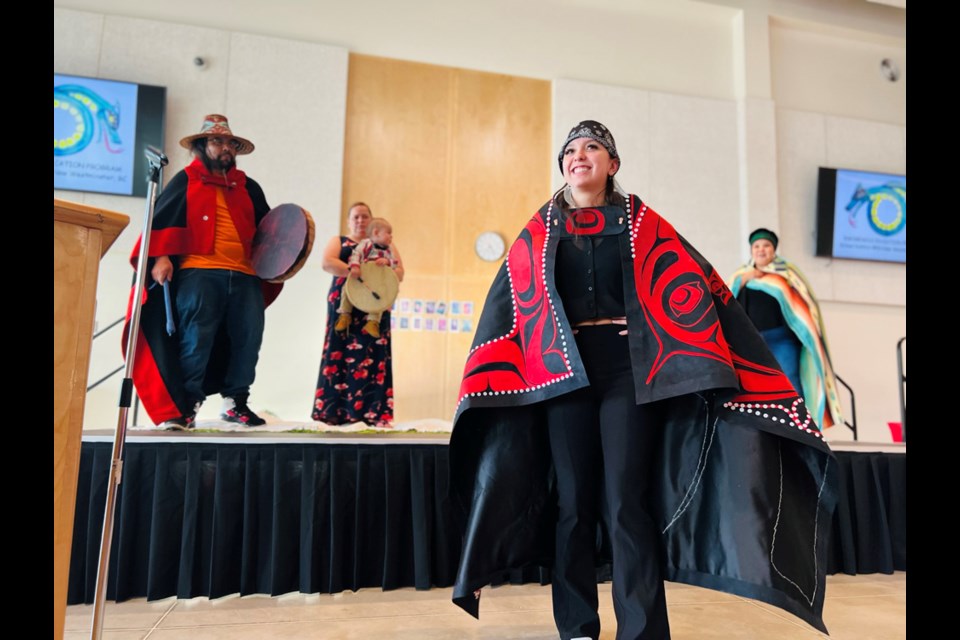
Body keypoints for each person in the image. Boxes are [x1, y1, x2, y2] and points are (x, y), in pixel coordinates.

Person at [448, 121, 838, 639]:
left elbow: (693, 281)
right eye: (570, 150)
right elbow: (512, 306)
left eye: (592, 148)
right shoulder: (540, 228)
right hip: (563, 373)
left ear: (612, 164)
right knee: (573, 503)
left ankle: (642, 629)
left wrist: (654, 321)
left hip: (627, 371)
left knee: (626, 501)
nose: (578, 156)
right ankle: (579, 627)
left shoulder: (641, 222)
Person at [123, 114, 282, 430]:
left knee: (247, 340)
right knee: (197, 340)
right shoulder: (185, 179)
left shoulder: (249, 187)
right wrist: (160, 257)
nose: (225, 147)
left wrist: (282, 261)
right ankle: (187, 405)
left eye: (230, 143)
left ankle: (236, 401)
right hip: (199, 273)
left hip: (246, 275)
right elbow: (162, 221)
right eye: (217, 141)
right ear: (201, 146)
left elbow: (271, 233)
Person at [728, 228, 843, 430]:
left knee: (790, 383)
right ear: (751, 250)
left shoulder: (788, 274)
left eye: (766, 246)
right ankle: (761, 429)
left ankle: (799, 429)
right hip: (750, 342)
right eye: (757, 246)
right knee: (752, 386)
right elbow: (726, 303)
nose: (761, 250)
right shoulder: (739, 277)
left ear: (773, 250)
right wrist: (744, 280)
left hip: (781, 340)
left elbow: (803, 308)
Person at [311, 203, 404, 427]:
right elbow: (328, 262)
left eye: (365, 217)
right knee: (338, 352)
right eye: (356, 217)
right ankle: (334, 412)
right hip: (344, 303)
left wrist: (376, 273)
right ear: (348, 220)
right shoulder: (340, 241)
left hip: (375, 302)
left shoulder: (384, 244)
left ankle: (375, 413)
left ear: (372, 222)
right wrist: (356, 273)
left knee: (376, 354)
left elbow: (399, 271)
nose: (360, 220)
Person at [334, 217, 400, 339]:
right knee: (346, 290)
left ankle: (373, 322)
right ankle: (345, 314)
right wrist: (355, 267)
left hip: (378, 282)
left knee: (380, 300)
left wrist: (387, 261)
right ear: (376, 233)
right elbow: (356, 255)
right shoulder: (365, 244)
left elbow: (395, 263)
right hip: (360, 278)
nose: (391, 237)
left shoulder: (388, 250)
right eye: (388, 233)